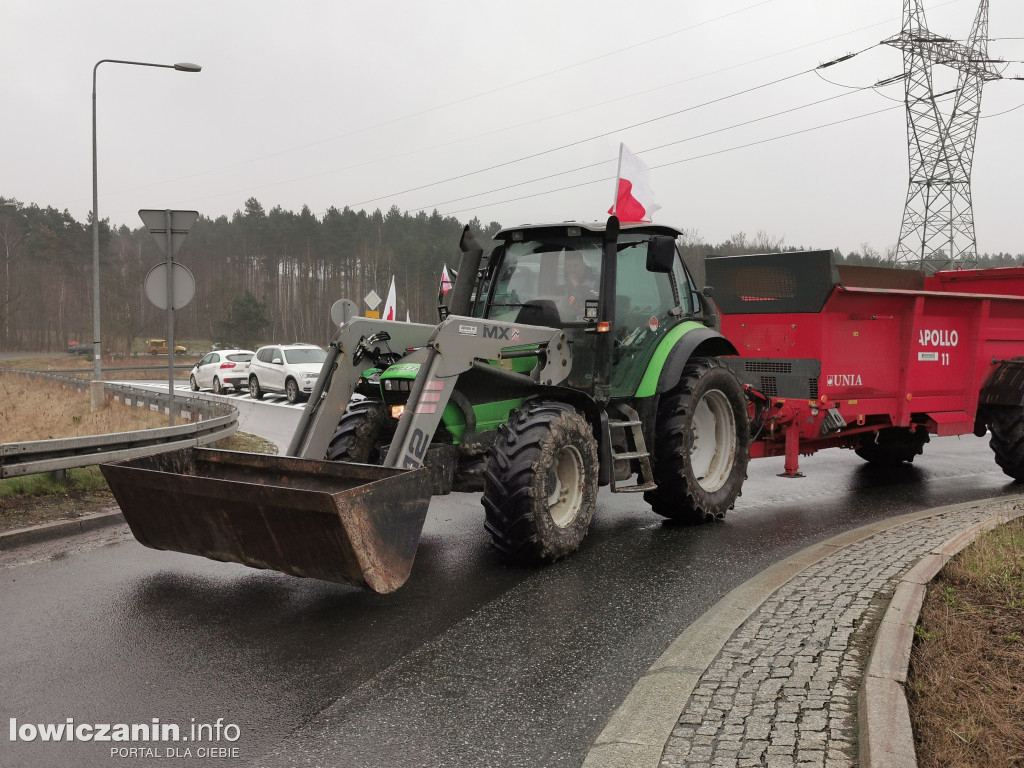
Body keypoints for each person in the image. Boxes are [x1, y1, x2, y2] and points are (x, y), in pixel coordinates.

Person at [563, 250, 598, 320]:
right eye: (569, 266)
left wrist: (576, 285)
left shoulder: (596, 281)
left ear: (583, 265)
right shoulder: (563, 285)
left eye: (576, 266)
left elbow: (594, 298)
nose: (573, 270)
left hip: (589, 321)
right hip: (567, 320)